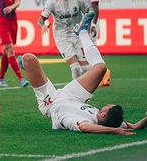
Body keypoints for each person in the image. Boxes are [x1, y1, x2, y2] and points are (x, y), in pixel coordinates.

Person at [18, 11, 147, 134]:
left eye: (107, 106)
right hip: (73, 97)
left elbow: (84, 127)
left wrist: (113, 131)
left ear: (103, 115)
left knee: (29, 58)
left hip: (52, 103)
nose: (106, 104)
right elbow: (134, 126)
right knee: (101, 68)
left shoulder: (87, 122)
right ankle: (82, 32)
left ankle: (24, 64)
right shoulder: (113, 121)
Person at [38, 0, 89, 80]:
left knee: (86, 68)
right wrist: (43, 26)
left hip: (78, 33)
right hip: (62, 36)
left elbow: (88, 13)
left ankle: (86, 92)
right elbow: (40, 19)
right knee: (75, 68)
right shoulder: (51, 2)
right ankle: (79, 94)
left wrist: (88, 26)